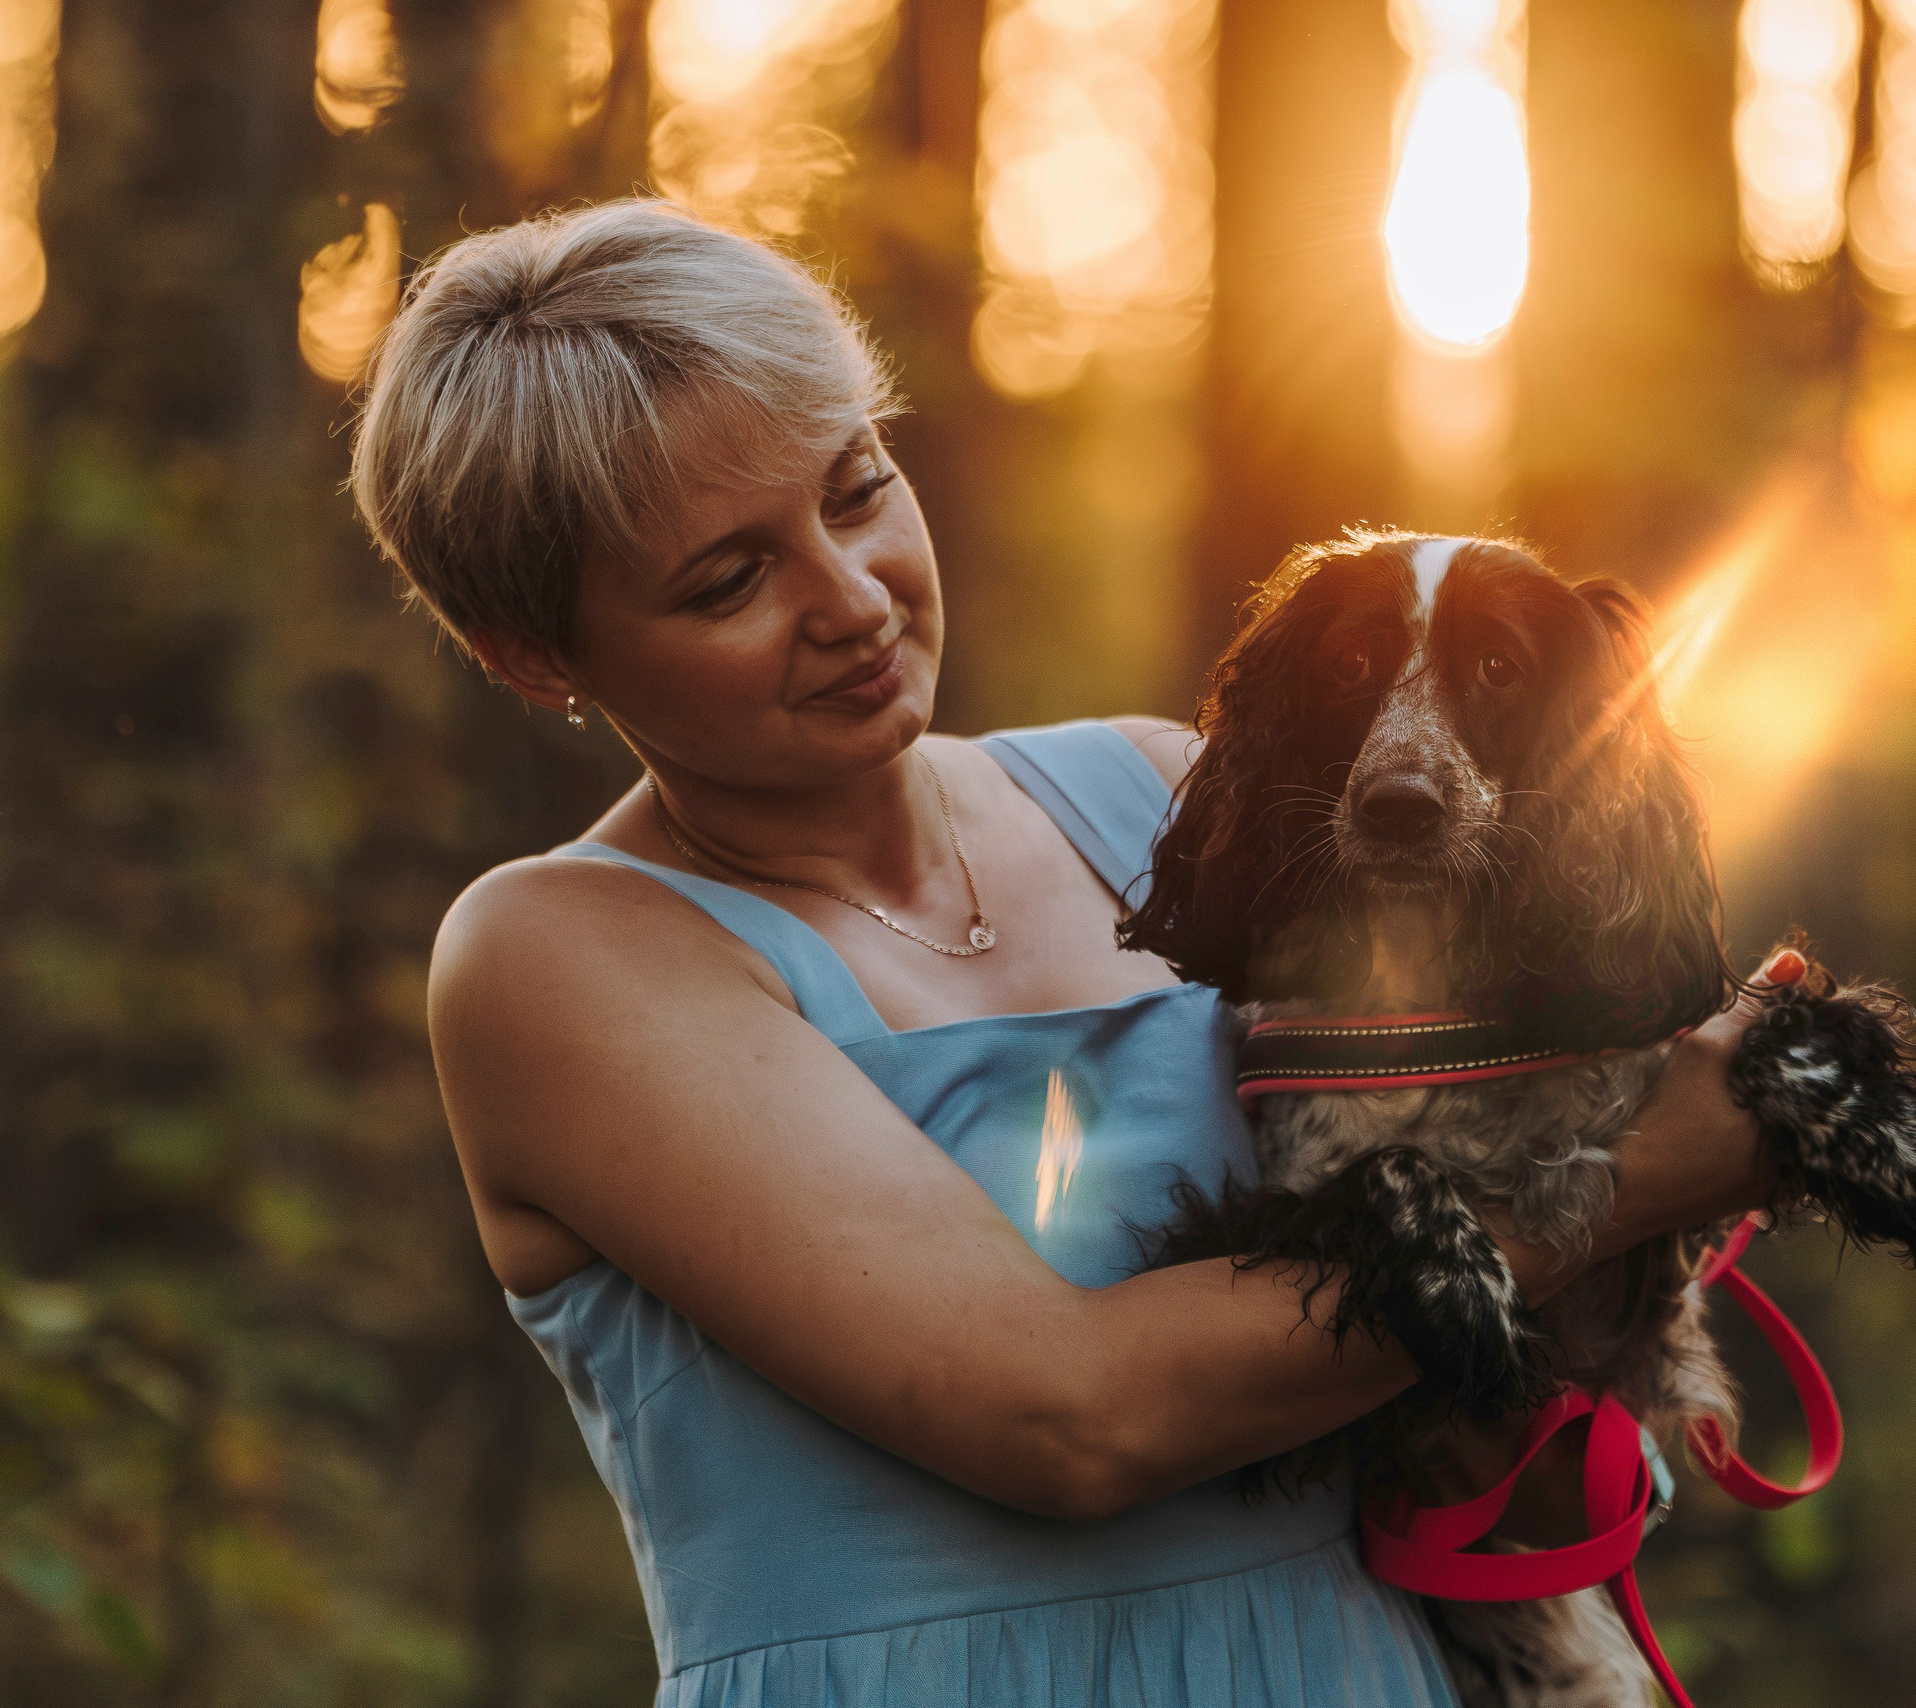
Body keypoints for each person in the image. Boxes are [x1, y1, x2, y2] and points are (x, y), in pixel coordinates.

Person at [352, 199, 1786, 1707]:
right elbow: (1067, 1420)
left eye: (857, 488)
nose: (853, 599)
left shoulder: (1160, 799)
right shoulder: (556, 957)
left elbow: (1499, 1403)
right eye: (729, 581)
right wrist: (1635, 1177)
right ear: (535, 655)